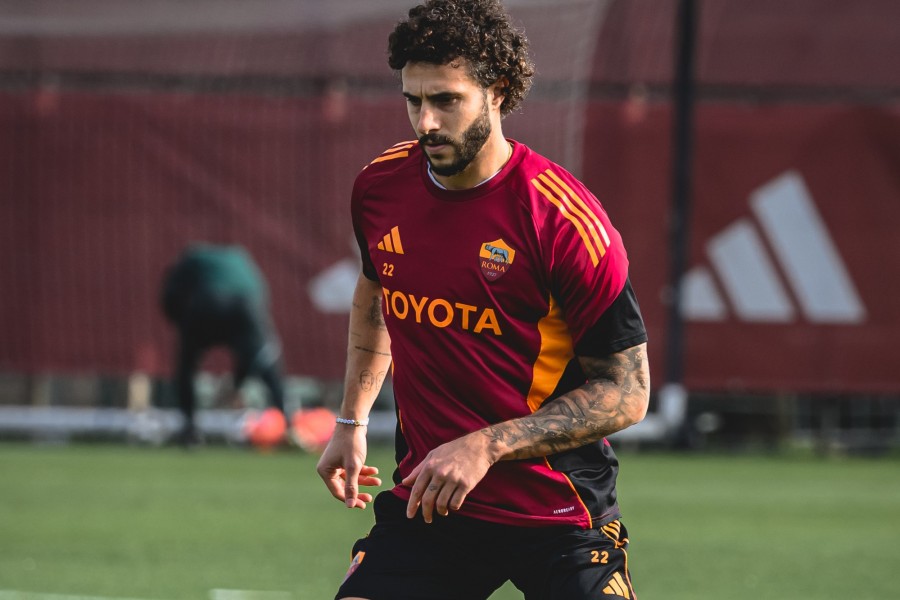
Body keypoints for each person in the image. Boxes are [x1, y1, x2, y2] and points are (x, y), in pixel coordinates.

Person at [316, 1, 650, 598]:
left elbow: (627, 391)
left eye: (446, 100)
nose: (425, 122)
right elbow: (376, 294)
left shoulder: (562, 220)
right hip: (431, 504)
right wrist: (351, 420)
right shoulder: (380, 188)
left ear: (497, 92)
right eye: (413, 100)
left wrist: (486, 446)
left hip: (559, 514)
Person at [160, 243, 287, 447]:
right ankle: (287, 425)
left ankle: (189, 430)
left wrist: (183, 326)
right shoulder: (240, 257)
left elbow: (170, 297)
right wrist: (239, 379)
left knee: (186, 366)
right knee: (265, 361)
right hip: (248, 307)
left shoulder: (191, 257)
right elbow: (261, 293)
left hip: (208, 304)